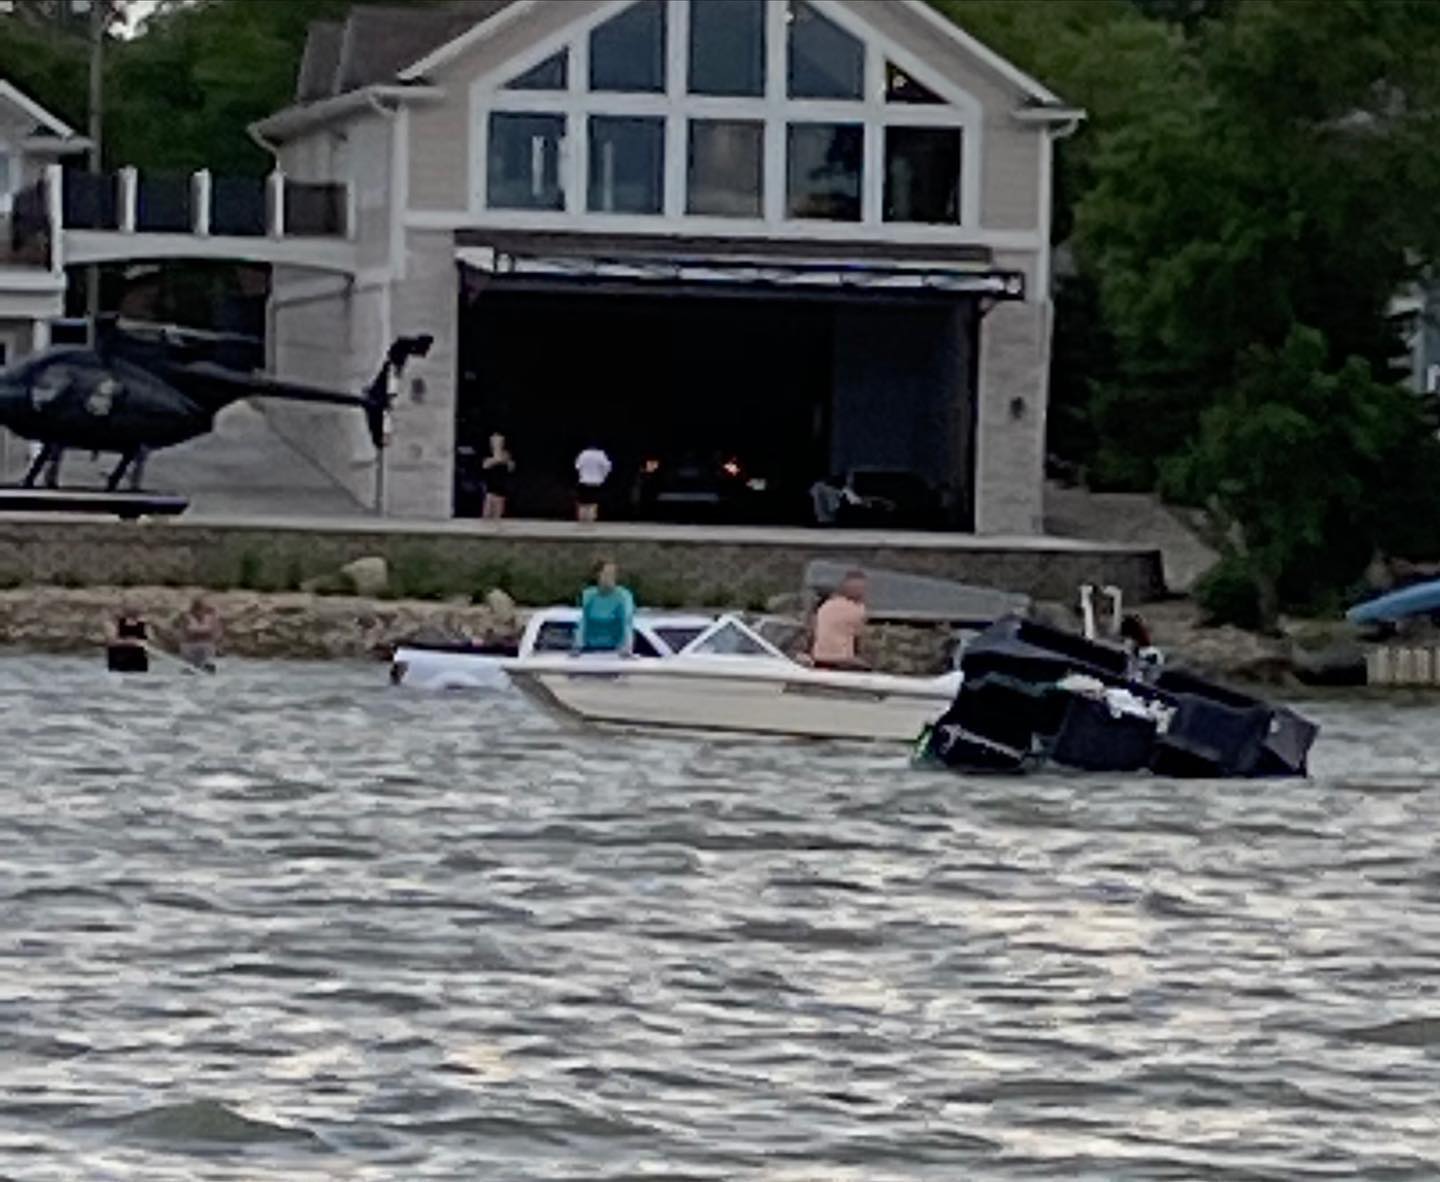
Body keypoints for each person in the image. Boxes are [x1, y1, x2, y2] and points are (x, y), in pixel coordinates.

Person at [810, 568, 869, 670]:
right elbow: (858, 640)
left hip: (818, 657)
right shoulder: (858, 609)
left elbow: (814, 631)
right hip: (841, 660)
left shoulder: (825, 605)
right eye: (861, 589)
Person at [575, 558, 635, 655]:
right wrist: (577, 646)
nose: (611, 578)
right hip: (589, 650)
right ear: (598, 576)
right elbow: (583, 622)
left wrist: (628, 647)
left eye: (613, 574)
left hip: (616, 651)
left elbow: (627, 622)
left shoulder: (623, 596)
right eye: (607, 574)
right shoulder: (588, 595)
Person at [178, 594, 222, 671]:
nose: (199, 612)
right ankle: (191, 667)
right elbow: (189, 631)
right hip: (190, 646)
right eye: (197, 609)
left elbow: (215, 632)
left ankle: (207, 665)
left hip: (205, 647)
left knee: (207, 653)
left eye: (201, 609)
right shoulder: (187, 617)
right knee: (190, 665)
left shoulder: (210, 617)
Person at [106, 601, 149, 673]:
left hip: (137, 659)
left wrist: (139, 643)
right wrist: (128, 642)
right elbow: (111, 641)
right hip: (119, 657)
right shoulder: (117, 623)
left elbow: (146, 642)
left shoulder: (143, 624)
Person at [574, 444, 612, 522]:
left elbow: (577, 466)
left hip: (584, 481)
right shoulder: (601, 454)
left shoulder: (583, 454)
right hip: (597, 481)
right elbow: (608, 467)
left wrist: (583, 474)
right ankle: (591, 519)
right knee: (594, 502)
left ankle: (582, 519)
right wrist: (603, 476)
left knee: (583, 502)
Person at [481, 432, 514, 519]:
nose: (495, 442)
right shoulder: (487, 454)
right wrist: (496, 459)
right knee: (486, 516)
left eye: (498, 441)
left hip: (501, 491)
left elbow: (511, 467)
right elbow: (486, 465)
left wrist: (500, 457)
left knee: (497, 517)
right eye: (493, 441)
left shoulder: (507, 454)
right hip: (489, 491)